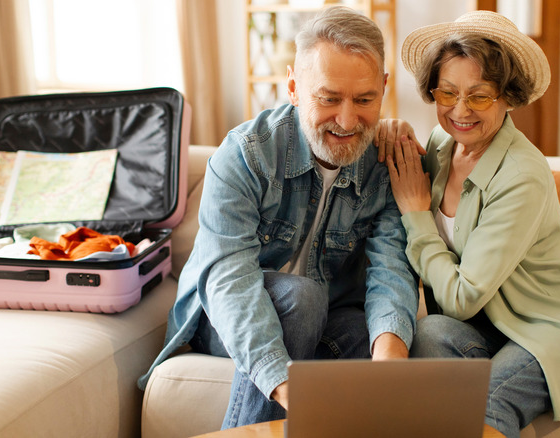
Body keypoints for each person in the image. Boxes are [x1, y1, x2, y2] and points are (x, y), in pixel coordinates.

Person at [138, 6, 419, 430]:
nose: (347, 120)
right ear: (293, 86)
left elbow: (391, 269)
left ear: (383, 87)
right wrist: (286, 386)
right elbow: (229, 281)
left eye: (364, 100)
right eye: (328, 98)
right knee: (302, 299)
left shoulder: (385, 162)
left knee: (377, 333)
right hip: (229, 319)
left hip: (327, 317)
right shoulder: (245, 155)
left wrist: (391, 361)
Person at [376, 11, 560, 438]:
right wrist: (390, 129)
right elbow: (399, 173)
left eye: (479, 96)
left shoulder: (522, 175)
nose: (460, 110)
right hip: (494, 322)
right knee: (426, 334)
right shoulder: (444, 144)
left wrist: (416, 214)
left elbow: (460, 297)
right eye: (447, 93)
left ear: (508, 96)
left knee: (485, 402)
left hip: (553, 324)